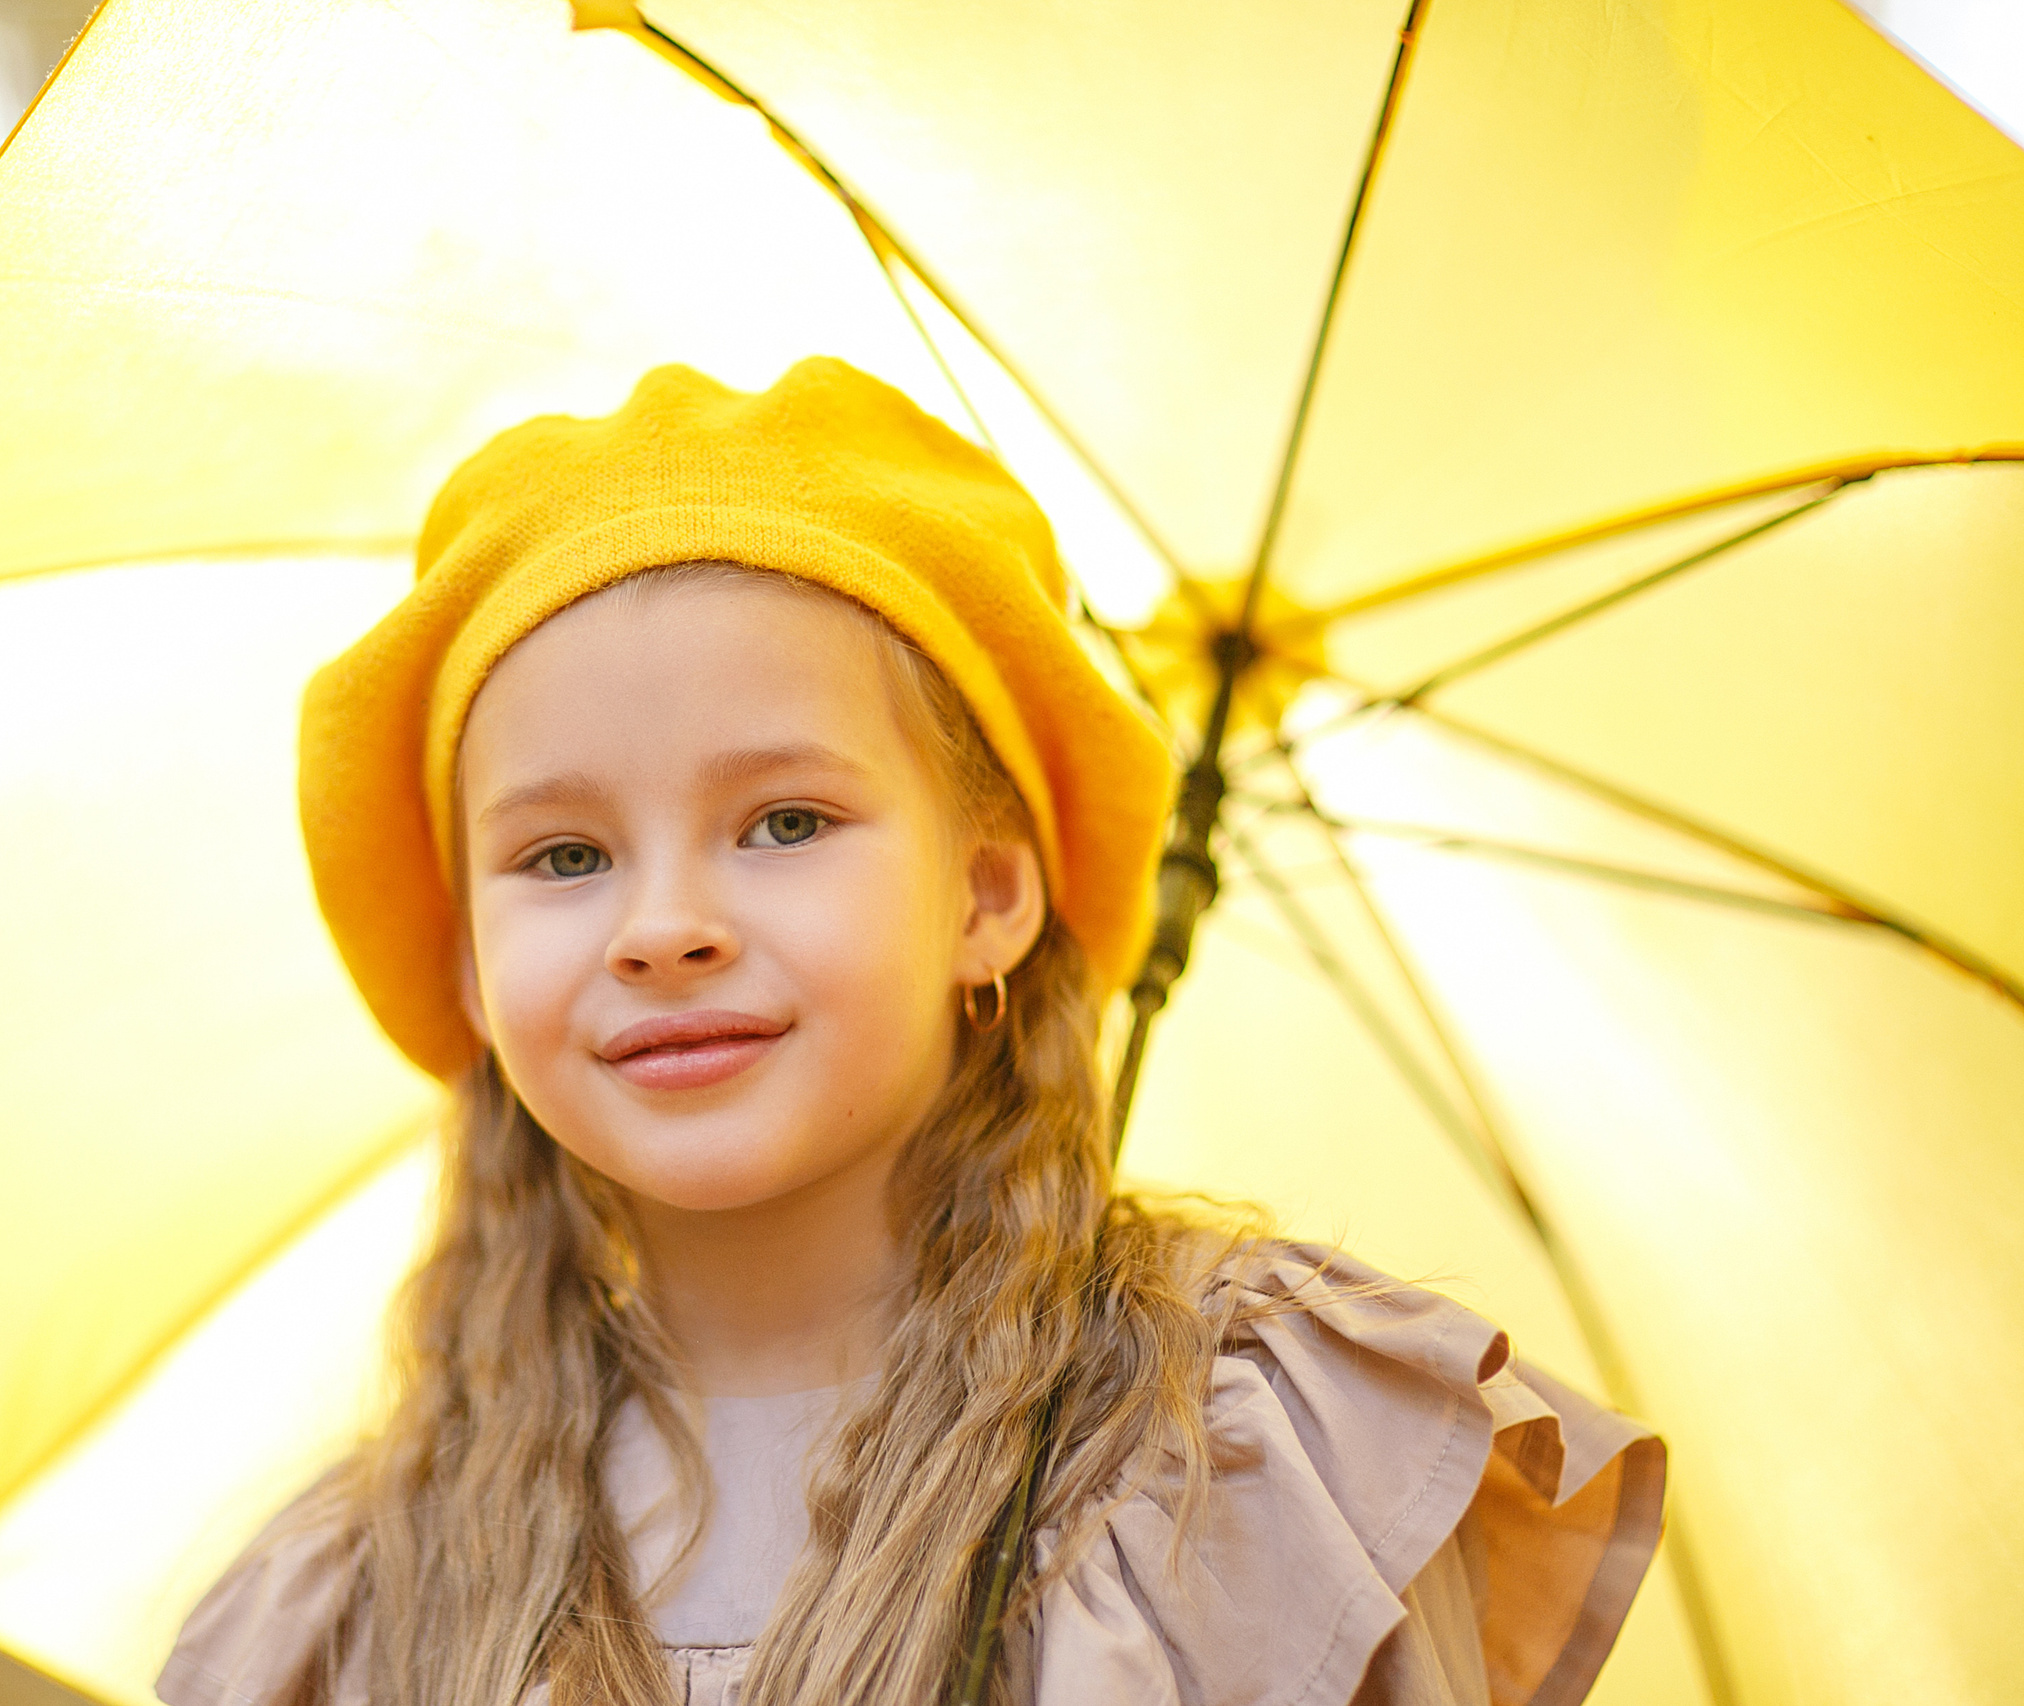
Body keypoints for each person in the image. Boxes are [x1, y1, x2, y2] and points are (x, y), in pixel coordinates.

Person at [155, 358, 1665, 1706]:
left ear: (987, 893)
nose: (661, 923)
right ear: (474, 971)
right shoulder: (348, 1617)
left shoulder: (1249, 1484)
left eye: (786, 820)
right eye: (563, 856)